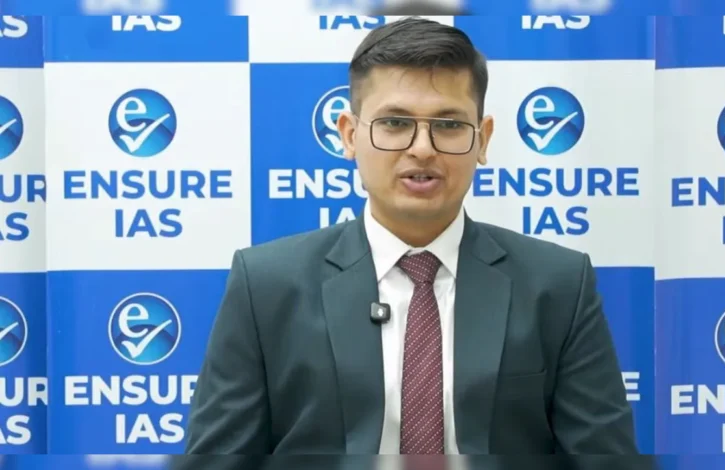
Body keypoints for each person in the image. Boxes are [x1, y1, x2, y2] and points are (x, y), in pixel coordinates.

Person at [177, 17, 639, 460]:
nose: (422, 148)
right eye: (395, 123)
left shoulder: (558, 285)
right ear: (349, 135)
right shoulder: (266, 285)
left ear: (482, 140)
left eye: (449, 125)